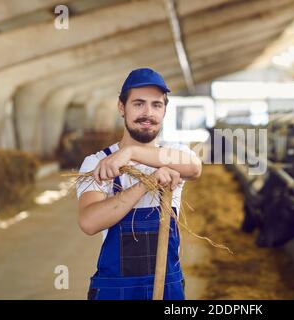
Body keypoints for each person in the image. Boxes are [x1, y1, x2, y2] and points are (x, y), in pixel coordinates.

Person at [76, 67, 202, 300]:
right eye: (139, 104)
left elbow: (194, 168)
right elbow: (90, 222)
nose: (148, 113)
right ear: (121, 107)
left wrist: (131, 152)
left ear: (164, 110)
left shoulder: (175, 154)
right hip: (115, 290)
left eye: (156, 105)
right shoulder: (97, 162)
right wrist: (147, 183)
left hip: (167, 287)